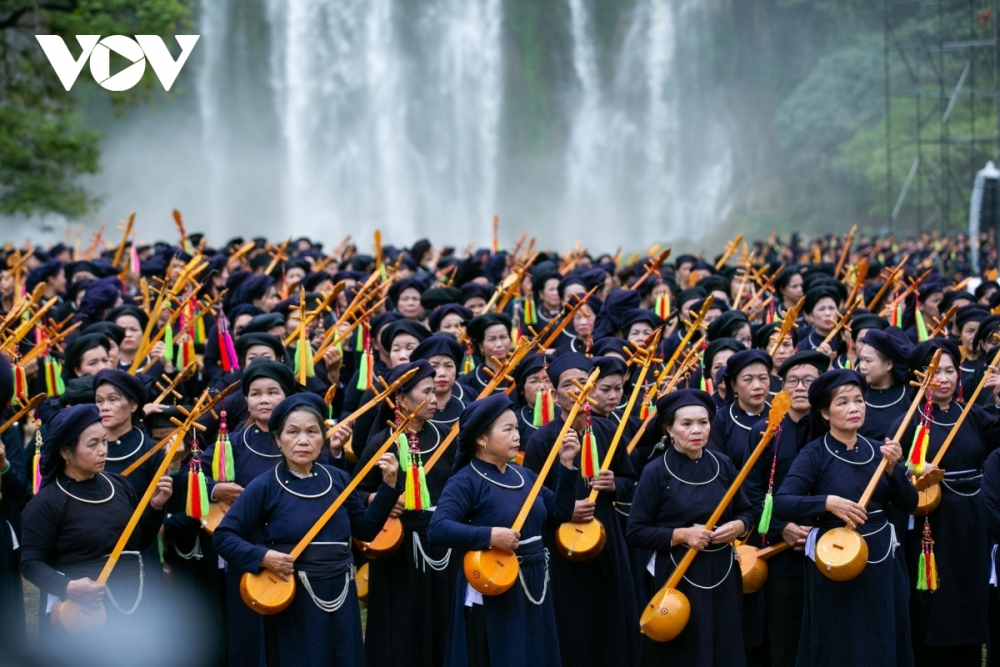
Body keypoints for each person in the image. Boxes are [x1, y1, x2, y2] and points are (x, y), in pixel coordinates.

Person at [214, 393, 398, 666]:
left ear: (322, 438)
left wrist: (389, 486)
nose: (303, 440)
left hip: (341, 593)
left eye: (312, 432)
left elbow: (366, 531)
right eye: (293, 432)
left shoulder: (339, 480)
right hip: (292, 597)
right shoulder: (265, 486)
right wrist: (263, 557)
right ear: (278, 440)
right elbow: (224, 536)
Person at [774, 369, 917, 667]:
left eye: (859, 400)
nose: (854, 408)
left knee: (881, 631)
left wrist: (894, 469)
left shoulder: (878, 451)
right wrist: (827, 503)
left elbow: (910, 503)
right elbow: (783, 502)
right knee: (839, 637)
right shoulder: (814, 454)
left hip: (880, 557)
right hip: (835, 559)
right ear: (825, 413)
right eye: (843, 402)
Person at [427, 394, 579, 667]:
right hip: (495, 581)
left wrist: (567, 466)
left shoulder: (524, 475)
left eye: (517, 428)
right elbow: (438, 528)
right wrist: (489, 536)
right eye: (507, 429)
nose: (517, 435)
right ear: (481, 439)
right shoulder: (465, 481)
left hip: (533, 581)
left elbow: (560, 512)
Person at [523, 352, 639, 667]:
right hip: (560, 540)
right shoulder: (541, 440)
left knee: (608, 612)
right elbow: (530, 496)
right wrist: (563, 508)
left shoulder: (607, 430)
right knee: (570, 618)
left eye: (584, 382)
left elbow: (630, 480)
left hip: (605, 533)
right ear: (554, 394)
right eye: (568, 385)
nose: (578, 390)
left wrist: (615, 483)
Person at [891, 339, 1000, 666]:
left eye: (950, 371)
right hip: (934, 523)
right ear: (920, 376)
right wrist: (912, 467)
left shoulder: (973, 414)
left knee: (974, 595)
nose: (943, 379)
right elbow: (892, 469)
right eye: (935, 372)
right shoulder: (909, 422)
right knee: (938, 601)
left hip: (973, 521)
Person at [20, 404, 172, 637]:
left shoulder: (119, 485)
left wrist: (155, 507)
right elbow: (30, 563)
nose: (102, 451)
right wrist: (67, 587)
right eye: (92, 444)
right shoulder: (47, 502)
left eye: (104, 441)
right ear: (66, 452)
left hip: (131, 601)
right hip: (82, 612)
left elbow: (137, 542)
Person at [626, 389, 753, 667]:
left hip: (722, 571)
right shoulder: (656, 471)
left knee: (725, 645)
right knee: (686, 651)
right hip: (678, 572)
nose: (697, 430)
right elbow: (635, 531)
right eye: (686, 424)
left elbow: (746, 511)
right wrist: (683, 535)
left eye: (703, 422)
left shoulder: (723, 464)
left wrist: (738, 526)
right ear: (669, 429)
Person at [355, 360, 455, 667]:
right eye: (426, 393)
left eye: (435, 392)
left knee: (442, 615)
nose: (434, 400)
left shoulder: (445, 436)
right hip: (399, 549)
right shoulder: (382, 443)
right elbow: (354, 493)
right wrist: (376, 497)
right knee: (402, 623)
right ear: (401, 398)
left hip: (441, 544)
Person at [744, 351, 829, 667]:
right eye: (792, 381)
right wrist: (782, 527)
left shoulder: (830, 428)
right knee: (785, 631)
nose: (800, 387)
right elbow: (751, 490)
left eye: (809, 381)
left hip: (826, 541)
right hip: (780, 545)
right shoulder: (765, 430)